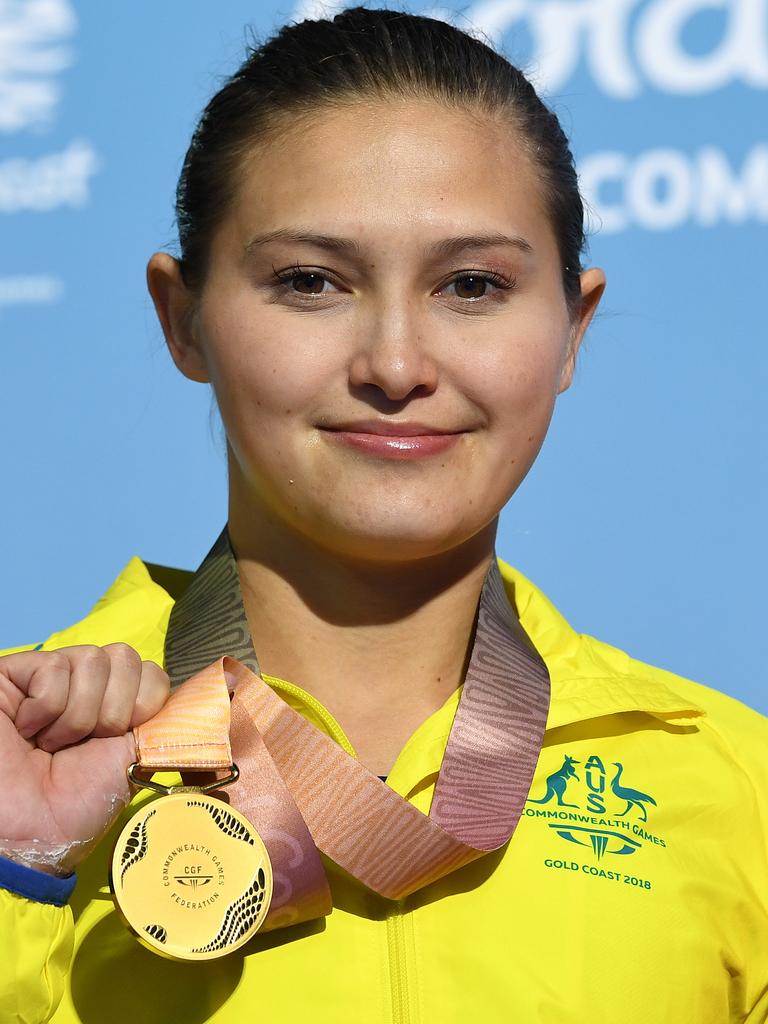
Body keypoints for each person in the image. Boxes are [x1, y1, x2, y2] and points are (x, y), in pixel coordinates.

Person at [1, 6, 766, 1023]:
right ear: (182, 320)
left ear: (572, 328)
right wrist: (24, 876)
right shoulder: (24, 767)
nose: (397, 365)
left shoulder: (734, 789)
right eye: (310, 282)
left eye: (472, 285)